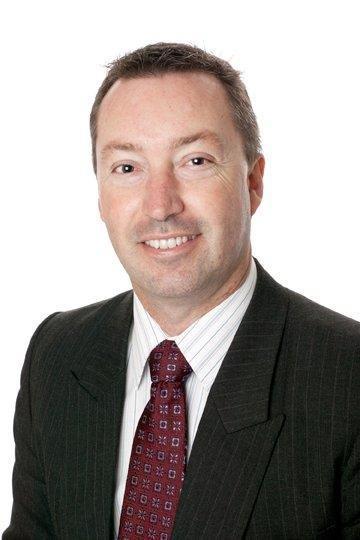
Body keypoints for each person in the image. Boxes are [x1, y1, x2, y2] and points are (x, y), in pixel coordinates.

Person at [3, 42, 360, 540]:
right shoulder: (58, 354)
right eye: (127, 168)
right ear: (100, 195)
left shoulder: (347, 377)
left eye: (195, 160)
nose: (160, 205)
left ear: (253, 183)